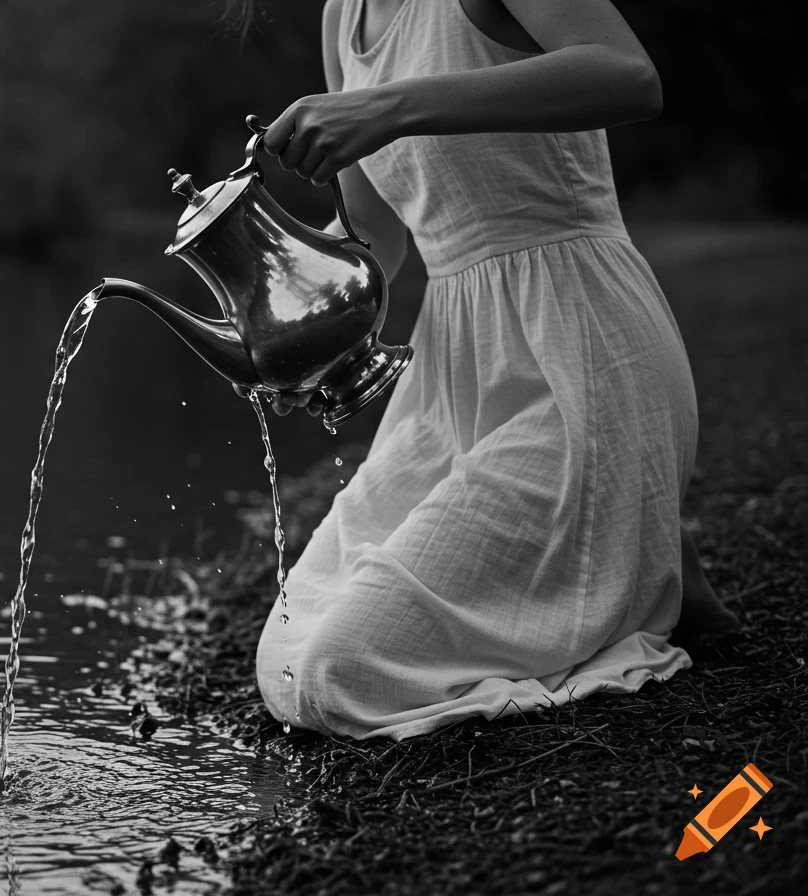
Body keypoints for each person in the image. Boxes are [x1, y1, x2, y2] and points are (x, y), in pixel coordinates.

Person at [236, 0, 741, 739]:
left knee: (337, 676)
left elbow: (630, 77)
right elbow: (378, 236)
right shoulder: (343, 16)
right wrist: (279, 313)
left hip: (583, 354)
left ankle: (634, 548)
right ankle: (642, 552)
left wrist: (390, 107)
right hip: (451, 384)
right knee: (286, 656)